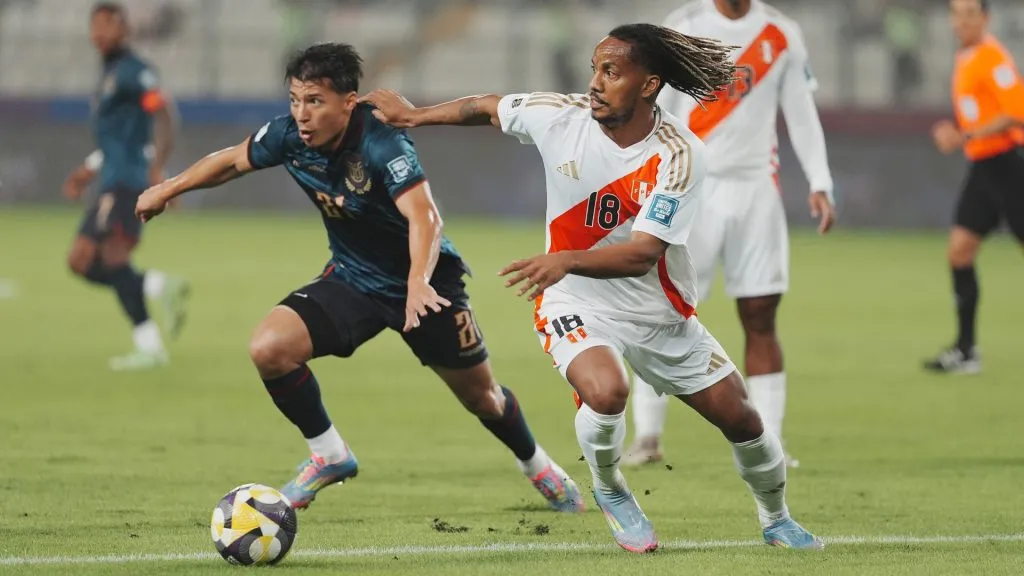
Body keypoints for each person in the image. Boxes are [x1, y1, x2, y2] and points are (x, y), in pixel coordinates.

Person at [361, 23, 823, 553]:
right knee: (607, 391)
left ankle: (776, 518)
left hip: (658, 311)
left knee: (743, 419)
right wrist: (414, 114)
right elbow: (487, 107)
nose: (596, 83)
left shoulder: (679, 154)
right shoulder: (562, 115)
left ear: (648, 86)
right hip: (574, 298)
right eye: (594, 69)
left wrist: (563, 258)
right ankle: (610, 488)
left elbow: (644, 253)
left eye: (611, 72)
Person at [134, 43, 584, 513]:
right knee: (269, 349)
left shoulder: (382, 143)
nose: (301, 114)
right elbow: (230, 161)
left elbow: (425, 219)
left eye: (315, 101)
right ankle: (330, 455)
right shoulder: (287, 136)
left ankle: (537, 465)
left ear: (349, 101)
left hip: (428, 288)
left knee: (483, 398)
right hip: (354, 279)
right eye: (295, 100)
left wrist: (417, 282)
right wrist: (167, 189)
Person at [623, 0, 836, 470]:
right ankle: (649, 437)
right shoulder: (683, 27)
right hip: (690, 185)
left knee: (760, 313)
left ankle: (771, 442)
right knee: (662, 310)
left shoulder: (781, 32)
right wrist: (645, 174)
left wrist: (820, 180)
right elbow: (656, 107)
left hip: (757, 187)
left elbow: (800, 112)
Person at [63, 2, 189, 371]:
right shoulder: (109, 75)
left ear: (124, 29)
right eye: (95, 25)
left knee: (113, 259)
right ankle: (156, 284)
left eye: (107, 25)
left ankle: (149, 347)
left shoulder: (134, 72)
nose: (98, 33)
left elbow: (165, 113)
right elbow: (120, 137)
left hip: (128, 182)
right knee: (81, 261)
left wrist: (158, 166)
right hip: (110, 179)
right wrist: (89, 167)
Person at [925, 0, 1024, 373]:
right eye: (957, 13)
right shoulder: (967, 57)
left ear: (986, 18)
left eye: (970, 13)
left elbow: (1017, 110)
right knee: (960, 252)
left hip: (1008, 165)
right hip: (983, 167)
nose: (962, 21)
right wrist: (959, 132)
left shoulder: (992, 57)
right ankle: (966, 352)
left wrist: (963, 134)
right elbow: (980, 110)